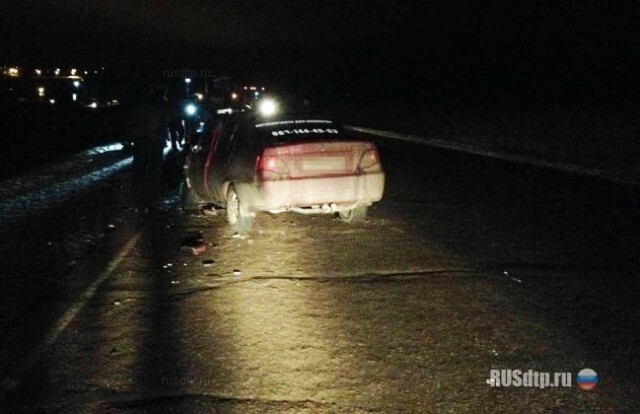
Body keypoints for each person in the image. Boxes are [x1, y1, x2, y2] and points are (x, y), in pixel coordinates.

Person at [127, 84, 178, 208]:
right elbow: (171, 119)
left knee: (140, 166)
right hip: (155, 139)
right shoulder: (162, 105)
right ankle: (151, 193)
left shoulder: (142, 104)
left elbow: (132, 120)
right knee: (154, 167)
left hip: (142, 138)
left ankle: (139, 192)